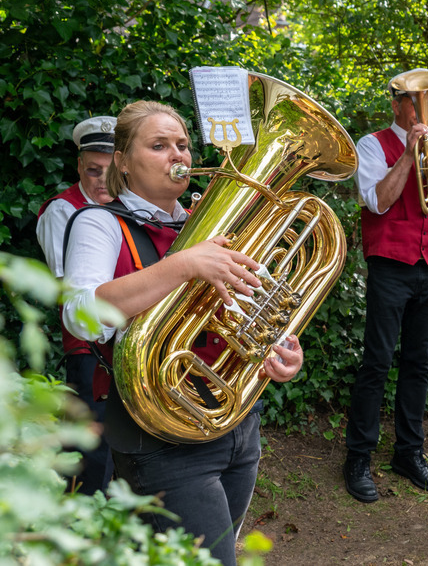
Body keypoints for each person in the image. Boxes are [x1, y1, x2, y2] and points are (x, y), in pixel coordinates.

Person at [61, 101, 304, 565]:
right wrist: (184, 264)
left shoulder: (212, 225)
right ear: (123, 161)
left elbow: (249, 311)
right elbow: (79, 315)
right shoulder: (100, 222)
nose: (178, 154)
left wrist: (282, 349)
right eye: (158, 145)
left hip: (235, 423)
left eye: (183, 144)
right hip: (161, 435)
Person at [344, 68, 428, 503]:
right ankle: (358, 456)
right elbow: (378, 201)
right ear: (396, 105)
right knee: (377, 361)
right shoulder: (372, 144)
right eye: (413, 102)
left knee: (419, 363)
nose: (421, 110)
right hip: (391, 265)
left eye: (426, 101)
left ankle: (408, 452)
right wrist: (408, 156)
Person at [36, 115, 117, 495]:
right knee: (90, 449)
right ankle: (77, 517)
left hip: (129, 344)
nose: (102, 181)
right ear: (79, 166)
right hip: (90, 349)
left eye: (110, 171)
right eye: (93, 170)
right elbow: (76, 288)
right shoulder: (62, 210)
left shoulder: (128, 207)